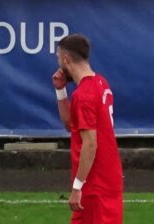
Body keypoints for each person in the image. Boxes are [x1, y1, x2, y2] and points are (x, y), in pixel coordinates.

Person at [53, 33, 123, 224]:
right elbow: (71, 125)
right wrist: (60, 91)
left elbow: (90, 143)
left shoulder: (84, 95)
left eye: (59, 58)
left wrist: (77, 186)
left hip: (95, 184)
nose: (59, 63)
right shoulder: (100, 83)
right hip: (106, 179)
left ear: (66, 59)